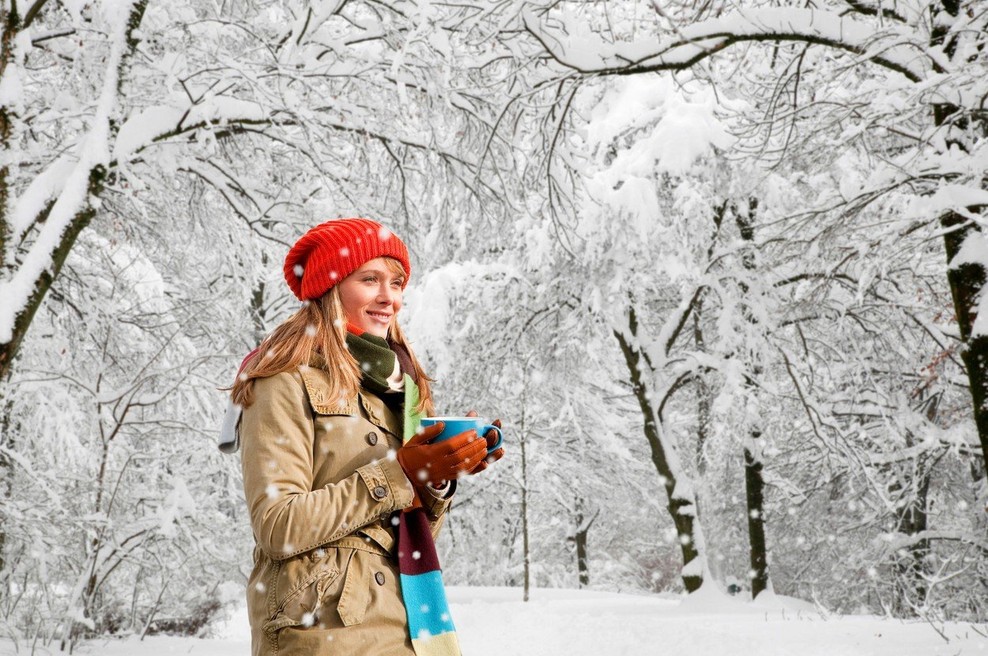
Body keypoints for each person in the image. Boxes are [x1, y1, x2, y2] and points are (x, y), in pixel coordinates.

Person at [224, 218, 504, 656]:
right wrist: (401, 474)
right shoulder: (283, 377)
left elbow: (408, 535)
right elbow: (278, 527)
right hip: (321, 629)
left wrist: (436, 477)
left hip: (404, 622)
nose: (388, 297)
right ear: (330, 287)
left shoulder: (405, 390)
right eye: (369, 279)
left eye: (396, 282)